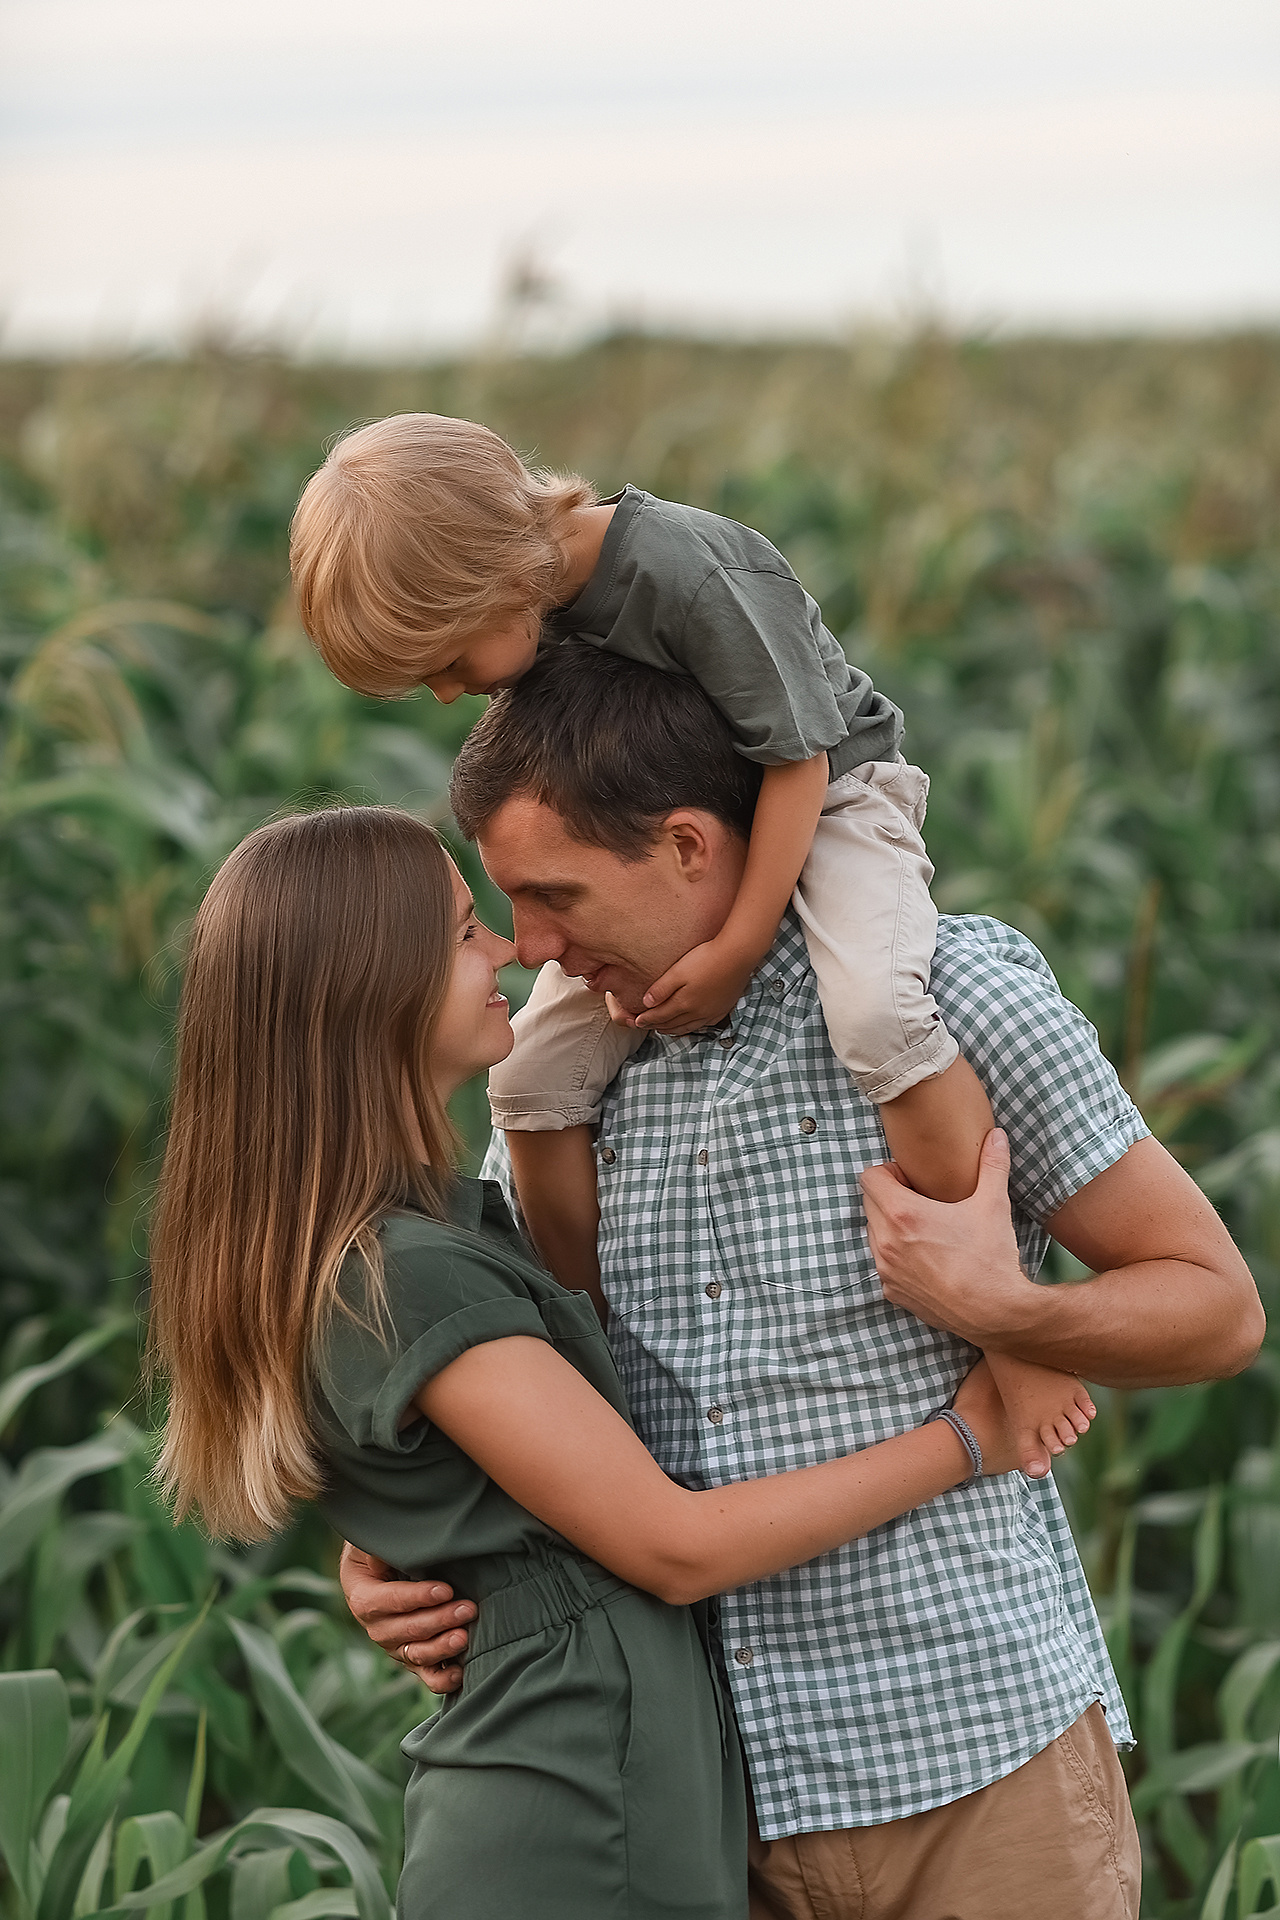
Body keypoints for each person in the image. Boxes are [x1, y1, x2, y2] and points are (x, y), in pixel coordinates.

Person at [342, 651, 1265, 1920]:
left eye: (554, 896)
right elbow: (531, 1388)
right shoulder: (560, 1081)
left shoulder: (949, 998)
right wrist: (398, 1547)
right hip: (702, 1808)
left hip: (975, 1780)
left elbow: (1215, 1310)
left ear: (684, 846)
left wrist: (1003, 1313)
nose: (530, 948)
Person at [146, 803, 1033, 1920]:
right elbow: (670, 1546)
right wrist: (969, 1437)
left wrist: (417, 1546)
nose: (508, 950)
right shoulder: (402, 1269)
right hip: (572, 1822)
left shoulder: (410, 1237)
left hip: (592, 1798)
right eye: (465, 931)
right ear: (366, 991)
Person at [290, 411, 1090, 1477]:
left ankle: (1010, 1328)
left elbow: (798, 761)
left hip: (832, 797)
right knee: (531, 1079)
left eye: (443, 662)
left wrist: (737, 943)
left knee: (880, 1017)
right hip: (689, 834)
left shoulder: (689, 569)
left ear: (489, 574)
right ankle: (589, 1360)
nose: (449, 694)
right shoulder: (532, 614)